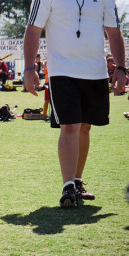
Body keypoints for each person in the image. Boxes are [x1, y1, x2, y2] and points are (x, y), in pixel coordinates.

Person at [23, 0, 126, 208]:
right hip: (61, 71)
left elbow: (114, 32)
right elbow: (33, 29)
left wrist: (121, 68)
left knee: (85, 127)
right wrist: (28, 68)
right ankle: (67, 185)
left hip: (95, 72)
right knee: (69, 126)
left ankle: (77, 182)